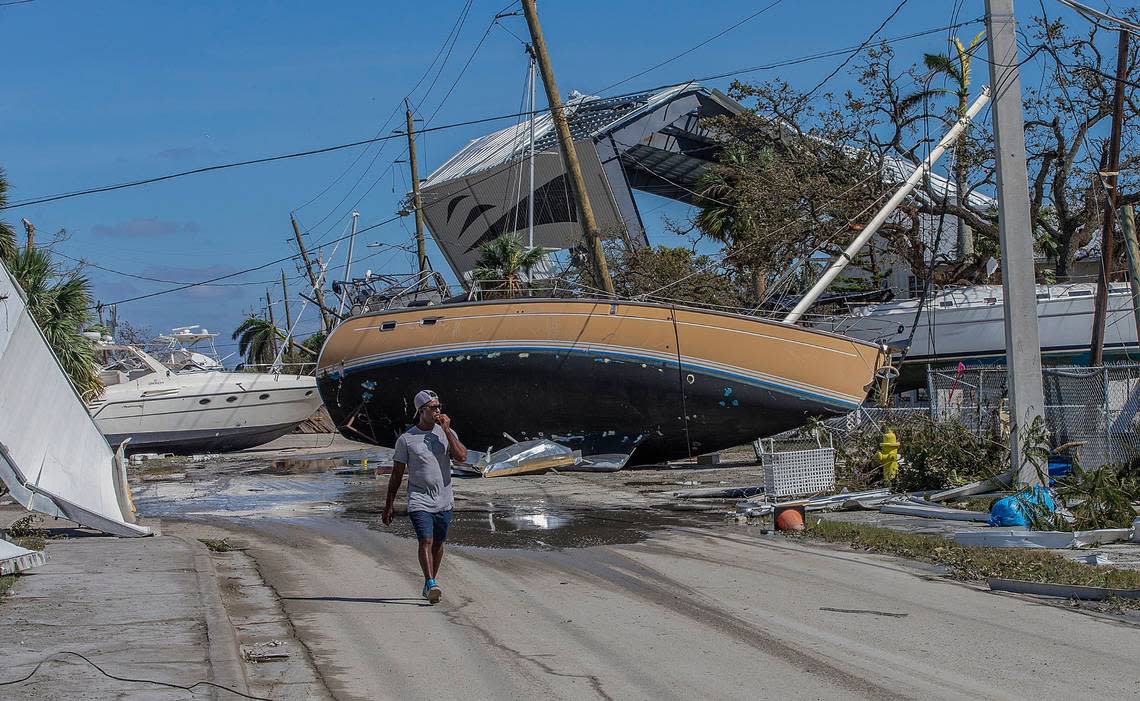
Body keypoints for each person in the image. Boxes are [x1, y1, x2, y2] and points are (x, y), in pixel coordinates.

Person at [382, 389, 467, 604]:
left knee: (438, 543)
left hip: (444, 499)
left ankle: (430, 583)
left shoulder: (447, 433)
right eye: (432, 407)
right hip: (419, 498)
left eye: (439, 406)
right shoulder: (407, 439)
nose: (438, 411)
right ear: (421, 411)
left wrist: (447, 432)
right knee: (426, 540)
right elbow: (397, 474)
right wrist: (389, 504)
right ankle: (430, 582)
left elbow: (462, 458)